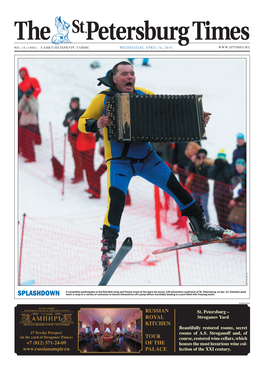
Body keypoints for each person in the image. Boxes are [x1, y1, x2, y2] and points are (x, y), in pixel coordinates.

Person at [78, 61, 234, 274]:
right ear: (115, 78)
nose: (130, 77)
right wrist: (96, 124)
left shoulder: (143, 94)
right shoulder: (103, 99)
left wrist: (196, 119)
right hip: (119, 161)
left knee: (178, 189)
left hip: (146, 157)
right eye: (124, 74)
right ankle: (108, 249)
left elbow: (167, 112)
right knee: (117, 201)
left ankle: (201, 227)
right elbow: (82, 122)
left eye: (132, 73)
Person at [208, 149, 234, 230]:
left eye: (223, 159)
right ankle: (223, 232)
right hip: (217, 194)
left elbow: (229, 176)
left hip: (227, 194)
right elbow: (210, 175)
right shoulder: (215, 166)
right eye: (220, 159)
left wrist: (224, 167)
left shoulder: (228, 166)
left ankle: (230, 231)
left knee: (227, 214)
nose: (221, 160)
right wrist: (216, 165)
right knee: (220, 214)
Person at [186, 148, 214, 222]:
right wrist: (193, 162)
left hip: (204, 190)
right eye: (200, 155)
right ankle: (196, 223)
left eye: (203, 156)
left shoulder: (208, 164)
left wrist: (203, 165)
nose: (201, 157)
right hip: (194, 189)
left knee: (204, 208)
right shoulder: (194, 163)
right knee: (194, 207)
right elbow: (188, 171)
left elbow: (207, 175)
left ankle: (207, 224)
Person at [63, 97, 85, 183]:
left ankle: (79, 175)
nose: (74, 105)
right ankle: (78, 175)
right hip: (71, 138)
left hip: (79, 138)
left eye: (76, 103)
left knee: (78, 157)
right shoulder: (69, 114)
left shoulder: (81, 113)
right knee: (76, 157)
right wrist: (68, 121)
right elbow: (64, 124)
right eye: (73, 103)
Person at [18, 89, 39, 162]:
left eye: (29, 94)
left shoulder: (34, 101)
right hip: (23, 123)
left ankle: (32, 158)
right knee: (21, 139)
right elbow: (19, 109)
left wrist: (29, 100)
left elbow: (34, 110)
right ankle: (25, 154)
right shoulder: (23, 100)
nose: (28, 96)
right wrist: (23, 100)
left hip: (32, 123)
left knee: (29, 140)